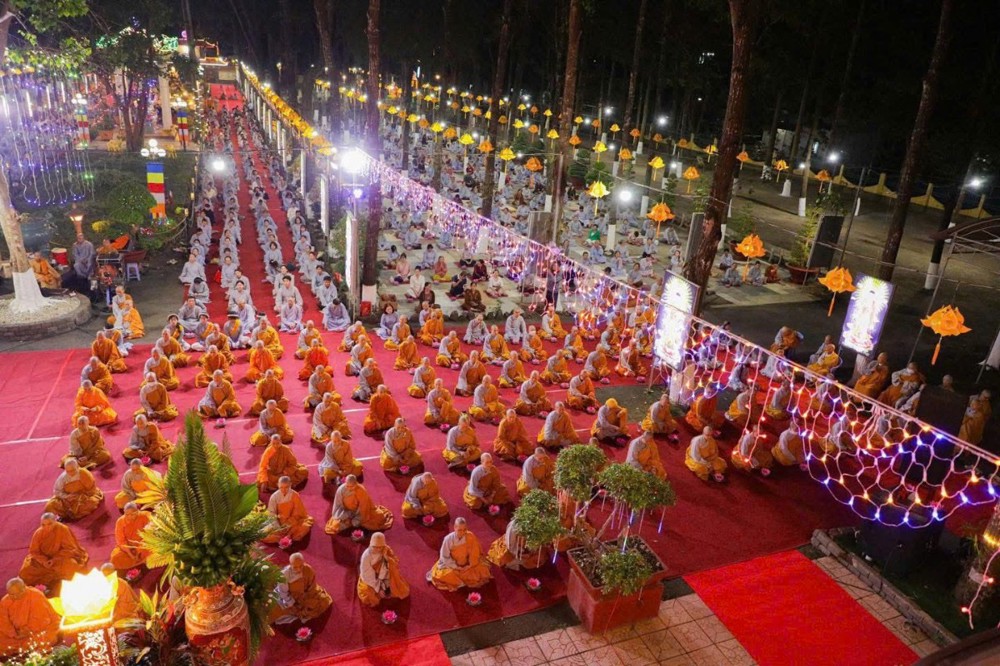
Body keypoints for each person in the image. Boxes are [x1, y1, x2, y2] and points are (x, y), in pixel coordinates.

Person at [19, 513, 89, 593]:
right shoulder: (38, 533)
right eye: (43, 525)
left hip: (60, 559)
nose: (46, 527)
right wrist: (44, 561)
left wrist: (54, 560)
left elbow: (70, 548)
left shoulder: (63, 529)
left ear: (55, 521)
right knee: (25, 571)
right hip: (44, 561)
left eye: (49, 524)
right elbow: (34, 551)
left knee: (72, 566)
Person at [0, 578, 62, 660]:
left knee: (46, 638)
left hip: (36, 630)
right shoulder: (5, 601)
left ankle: (25, 651)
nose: (15, 597)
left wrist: (28, 630)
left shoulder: (35, 595)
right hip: (16, 634)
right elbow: (3, 621)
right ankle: (22, 650)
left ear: (24, 588)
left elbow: (43, 619)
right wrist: (13, 633)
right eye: (12, 594)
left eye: (18, 593)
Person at [428, 518, 492, 591]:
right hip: (452, 565)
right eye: (459, 530)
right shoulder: (448, 539)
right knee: (445, 575)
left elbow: (475, 552)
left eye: (464, 530)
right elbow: (444, 557)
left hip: (467, 564)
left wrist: (470, 565)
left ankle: (461, 578)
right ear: (455, 527)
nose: (462, 533)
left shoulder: (470, 536)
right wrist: (456, 567)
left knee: (483, 570)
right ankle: (459, 579)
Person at [271, 553, 333, 624]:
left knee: (324, 600)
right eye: (295, 567)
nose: (298, 569)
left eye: (301, 566)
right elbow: (283, 593)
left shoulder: (308, 569)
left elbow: (312, 586)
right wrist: (292, 604)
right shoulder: (284, 575)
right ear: (290, 565)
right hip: (292, 598)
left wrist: (307, 596)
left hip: (306, 595)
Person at [324, 475, 394, 534]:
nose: (349, 488)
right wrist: (346, 514)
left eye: (352, 486)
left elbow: (364, 507)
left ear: (356, 483)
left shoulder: (361, 490)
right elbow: (338, 505)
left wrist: (357, 516)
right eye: (348, 486)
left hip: (358, 513)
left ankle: (352, 522)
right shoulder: (341, 490)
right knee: (336, 526)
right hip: (346, 512)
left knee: (376, 518)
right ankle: (350, 522)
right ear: (345, 483)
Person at [358, 532, 410, 607]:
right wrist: (378, 588)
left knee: (397, 585)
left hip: (383, 574)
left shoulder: (385, 550)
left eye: (380, 547)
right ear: (371, 545)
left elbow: (393, 563)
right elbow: (367, 575)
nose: (378, 549)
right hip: (370, 579)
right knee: (367, 593)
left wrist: (387, 558)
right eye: (375, 547)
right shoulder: (366, 556)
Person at [262, 476, 314, 544]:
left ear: (290, 485)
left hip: (292, 521)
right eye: (281, 487)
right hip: (278, 522)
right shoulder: (274, 497)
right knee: (264, 534)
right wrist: (278, 527)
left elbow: (297, 513)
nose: (284, 490)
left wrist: (288, 525)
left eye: (286, 487)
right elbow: (271, 514)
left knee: (304, 527)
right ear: (278, 485)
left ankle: (288, 536)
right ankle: (284, 537)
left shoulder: (295, 495)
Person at [110, 502, 151, 570]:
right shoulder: (120, 521)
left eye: (132, 514)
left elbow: (150, 534)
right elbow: (120, 540)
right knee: (115, 558)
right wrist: (130, 553)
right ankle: (141, 562)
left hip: (143, 545)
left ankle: (140, 561)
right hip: (128, 547)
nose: (129, 517)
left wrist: (139, 550)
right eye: (127, 514)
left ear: (137, 511)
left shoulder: (145, 515)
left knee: (153, 552)